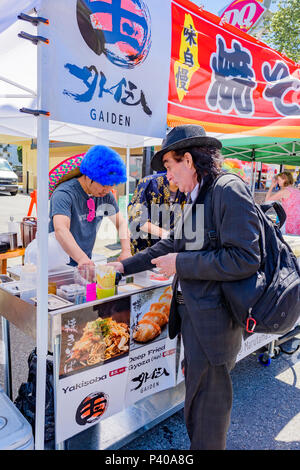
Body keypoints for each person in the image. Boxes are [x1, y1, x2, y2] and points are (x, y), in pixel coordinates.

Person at [108, 124, 261, 450]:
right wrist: (122, 266)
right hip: (194, 317)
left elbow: (246, 258)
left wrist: (181, 264)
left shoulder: (227, 190)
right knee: (196, 402)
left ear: (188, 161)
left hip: (214, 323)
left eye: (168, 165)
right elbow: (170, 245)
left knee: (207, 411)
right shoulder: (199, 195)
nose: (167, 176)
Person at [49, 145, 132, 267]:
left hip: (84, 262)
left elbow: (121, 223)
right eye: (104, 184)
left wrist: (126, 251)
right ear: (89, 176)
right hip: (58, 263)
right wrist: (82, 258)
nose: (107, 190)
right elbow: (61, 230)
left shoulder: (106, 195)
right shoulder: (64, 193)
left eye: (112, 184)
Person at [128, 172, 187, 254]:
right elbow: (137, 220)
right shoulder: (149, 182)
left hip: (170, 251)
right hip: (144, 250)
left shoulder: (187, 191)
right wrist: (166, 234)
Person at [265, 171, 300, 235]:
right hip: (297, 221)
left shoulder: (284, 191)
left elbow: (267, 201)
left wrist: (271, 186)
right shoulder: (297, 190)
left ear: (285, 179)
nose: (277, 182)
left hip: (288, 222)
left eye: (279, 180)